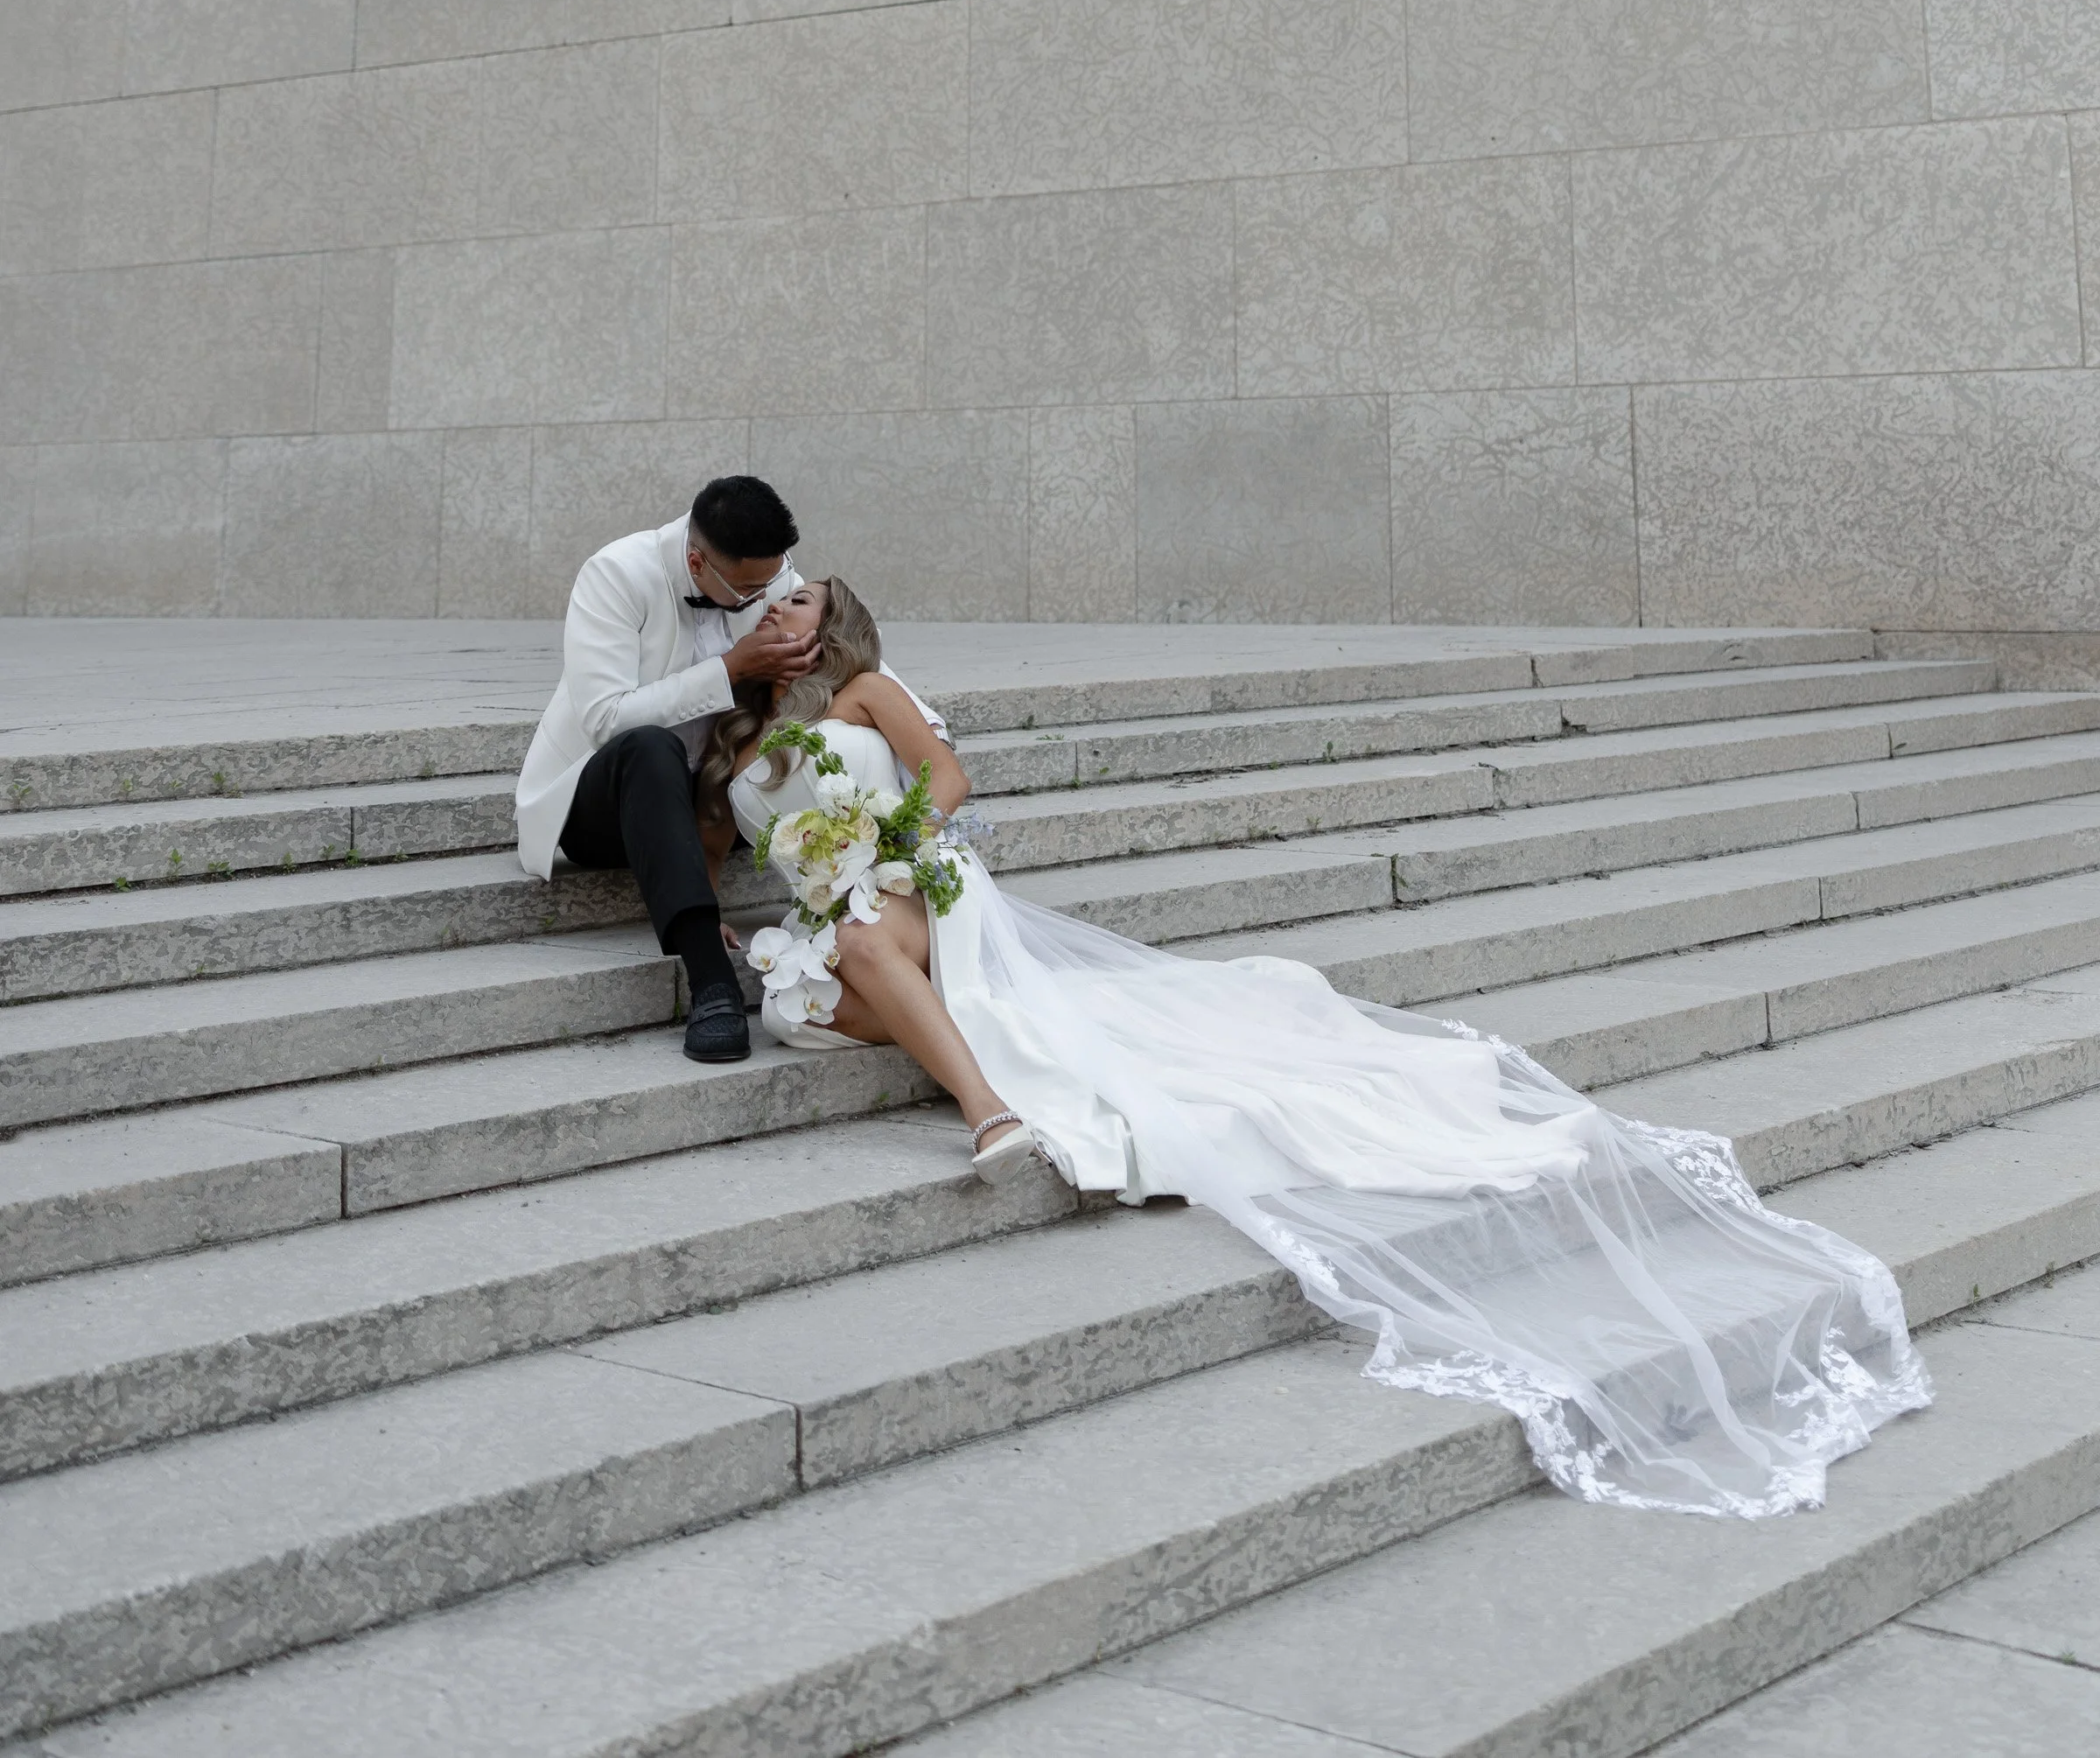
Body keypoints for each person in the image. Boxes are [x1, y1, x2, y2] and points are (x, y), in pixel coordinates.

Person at [719, 575, 1934, 1521]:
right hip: (823, 923)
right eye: (773, 598)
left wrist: (881, 837)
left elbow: (950, 774)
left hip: (911, 890)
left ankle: (992, 1111)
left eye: (804, 598)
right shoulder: (748, 723)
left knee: (877, 943)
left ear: (838, 623)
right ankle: (962, 1067)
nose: (786, 607)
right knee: (817, 991)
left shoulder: (866, 692)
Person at [514, 475, 818, 1063]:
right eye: (752, 591)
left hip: (714, 799)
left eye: (776, 582)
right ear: (698, 561)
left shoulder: (770, 574)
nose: (768, 599)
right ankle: (712, 986)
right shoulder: (617, 574)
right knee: (648, 746)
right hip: (600, 801)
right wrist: (730, 669)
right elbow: (606, 719)